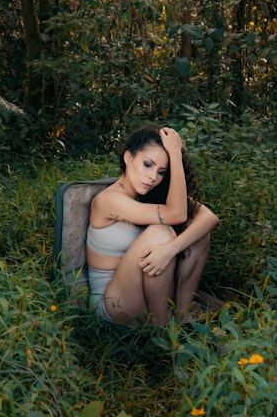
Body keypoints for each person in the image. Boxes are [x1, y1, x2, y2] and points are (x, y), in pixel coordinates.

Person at [86, 124, 219, 326]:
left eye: (162, 172)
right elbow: (177, 214)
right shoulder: (108, 201)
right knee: (160, 233)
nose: (153, 177)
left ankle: (181, 315)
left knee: (198, 234)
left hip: (146, 291)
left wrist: (170, 249)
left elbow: (209, 217)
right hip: (113, 302)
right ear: (128, 158)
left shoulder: (148, 195)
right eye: (148, 164)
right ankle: (162, 327)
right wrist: (174, 152)